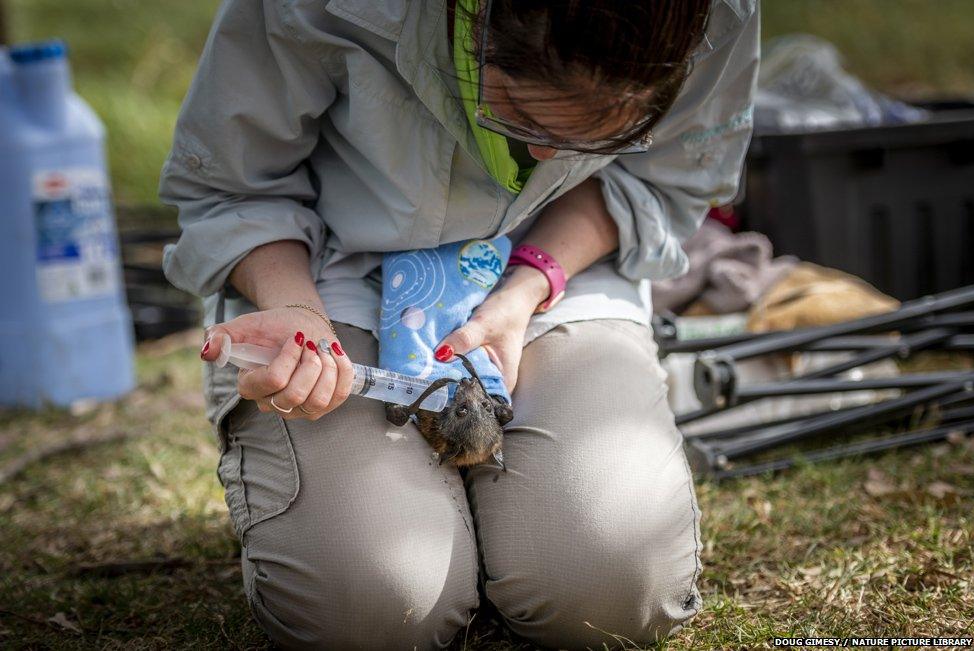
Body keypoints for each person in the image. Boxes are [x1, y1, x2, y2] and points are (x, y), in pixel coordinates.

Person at [159, 0, 759, 648]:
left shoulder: (716, 12)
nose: (544, 151)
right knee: (369, 613)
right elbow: (233, 185)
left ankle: (509, 520)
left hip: (559, 268)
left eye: (598, 132)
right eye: (520, 111)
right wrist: (298, 311)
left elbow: (666, 177)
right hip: (333, 272)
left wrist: (530, 284)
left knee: (616, 591)